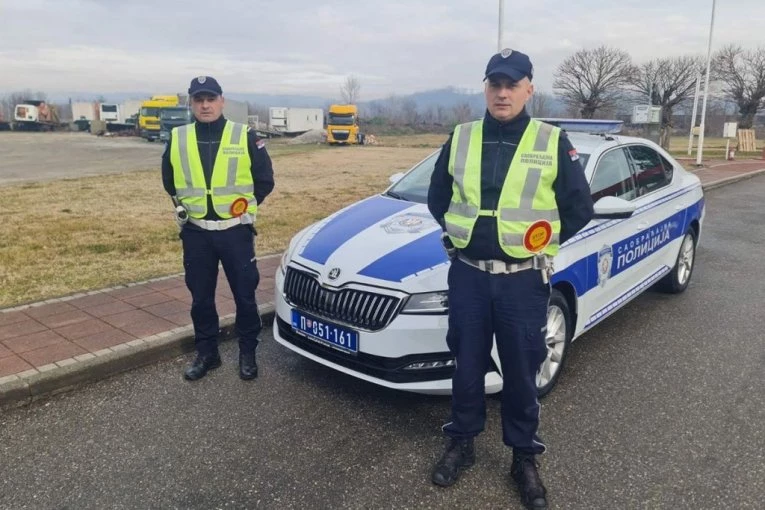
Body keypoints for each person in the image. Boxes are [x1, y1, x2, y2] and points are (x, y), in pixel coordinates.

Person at [427, 49, 594, 509]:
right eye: (495, 84)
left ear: (529, 89)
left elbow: (579, 208)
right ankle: (461, 442)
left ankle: (524, 456)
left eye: (512, 84)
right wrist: (467, 236)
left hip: (523, 280)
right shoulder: (460, 137)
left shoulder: (551, 140)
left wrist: (539, 240)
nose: (503, 93)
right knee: (466, 362)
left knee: (522, 369)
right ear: (485, 88)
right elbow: (438, 198)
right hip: (468, 276)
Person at [162, 76, 275, 381]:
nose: (205, 105)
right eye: (199, 100)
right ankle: (207, 353)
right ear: (191, 103)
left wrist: (246, 209)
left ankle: (248, 353)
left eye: (211, 98)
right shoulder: (178, 138)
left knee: (245, 297)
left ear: (222, 101)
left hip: (235, 232)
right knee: (201, 298)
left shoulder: (245, 136)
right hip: (197, 233)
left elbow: (265, 180)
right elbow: (169, 181)